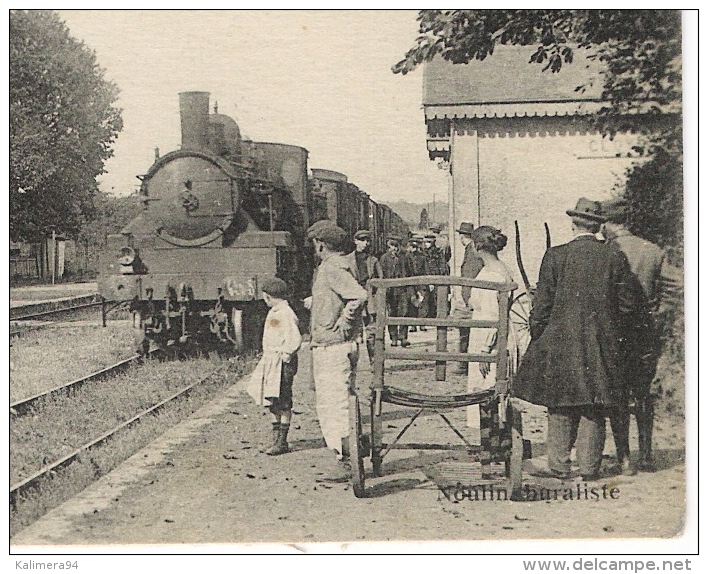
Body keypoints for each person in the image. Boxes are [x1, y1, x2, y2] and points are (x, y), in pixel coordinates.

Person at [514, 198, 645, 481]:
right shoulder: (614, 256)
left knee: (559, 404)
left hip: (560, 342)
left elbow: (541, 307)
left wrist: (540, 336)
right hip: (601, 344)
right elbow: (628, 305)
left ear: (573, 224)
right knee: (594, 405)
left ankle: (559, 466)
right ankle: (589, 468)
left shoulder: (555, 256)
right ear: (598, 226)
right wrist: (612, 335)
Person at [601, 197, 664, 473]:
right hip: (645, 333)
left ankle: (624, 457)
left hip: (614, 334)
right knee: (643, 394)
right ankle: (647, 455)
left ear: (607, 223)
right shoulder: (652, 251)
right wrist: (658, 313)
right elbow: (679, 287)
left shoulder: (605, 251)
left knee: (618, 395)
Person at [304, 220, 368, 482]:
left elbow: (358, 296)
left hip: (333, 345)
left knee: (334, 405)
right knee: (340, 400)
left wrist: (342, 324)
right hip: (333, 343)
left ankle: (345, 461)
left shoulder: (331, 268)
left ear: (320, 245)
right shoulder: (336, 266)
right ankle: (352, 454)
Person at [462, 226, 515, 427]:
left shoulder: (493, 275)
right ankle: (490, 440)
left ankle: (492, 443)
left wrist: (485, 350)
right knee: (486, 387)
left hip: (489, 337)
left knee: (487, 385)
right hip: (485, 331)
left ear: (477, 247)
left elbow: (495, 316)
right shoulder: (496, 269)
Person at [244, 276, 302, 455]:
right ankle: (275, 438)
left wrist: (286, 356)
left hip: (282, 362)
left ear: (269, 297)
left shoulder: (285, 313)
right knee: (272, 400)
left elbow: (295, 338)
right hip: (272, 361)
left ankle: (282, 441)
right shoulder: (275, 311)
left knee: (283, 400)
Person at [345, 229, 382, 366]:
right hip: (353, 299)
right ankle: (351, 362)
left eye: (367, 240)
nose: (365, 243)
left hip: (370, 299)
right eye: (362, 240)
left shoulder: (373, 260)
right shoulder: (347, 260)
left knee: (372, 332)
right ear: (355, 241)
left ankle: (374, 361)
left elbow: (380, 281)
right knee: (353, 332)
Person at [453, 221, 485, 375]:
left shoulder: (471, 252)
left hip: (471, 297)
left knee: (465, 330)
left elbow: (470, 277)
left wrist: (467, 299)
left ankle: (464, 365)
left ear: (462, 237)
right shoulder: (471, 250)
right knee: (465, 331)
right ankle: (464, 364)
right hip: (471, 296)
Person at [379, 236, 412, 347]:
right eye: (391, 246)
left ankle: (403, 337)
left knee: (404, 312)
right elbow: (381, 274)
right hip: (390, 290)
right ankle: (393, 337)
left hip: (402, 289)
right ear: (388, 247)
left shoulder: (405, 257)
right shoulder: (384, 258)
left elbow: (410, 272)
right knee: (392, 313)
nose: (394, 249)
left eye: (396, 246)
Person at [406, 236, 429, 332]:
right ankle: (413, 324)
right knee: (412, 302)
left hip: (421, 281)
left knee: (422, 302)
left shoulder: (422, 257)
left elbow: (426, 269)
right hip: (411, 281)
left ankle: (422, 323)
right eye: (412, 246)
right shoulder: (407, 256)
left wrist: (428, 282)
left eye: (415, 246)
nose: (413, 248)